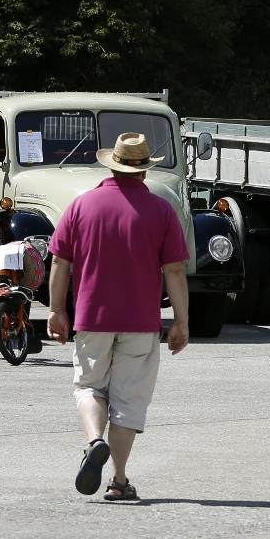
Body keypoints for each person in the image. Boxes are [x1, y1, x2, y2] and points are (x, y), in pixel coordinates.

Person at [46, 131, 190, 501]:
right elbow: (174, 270)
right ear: (144, 171)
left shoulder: (81, 206)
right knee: (128, 401)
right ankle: (119, 479)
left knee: (90, 386)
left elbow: (61, 261)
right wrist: (181, 321)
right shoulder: (160, 210)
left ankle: (94, 441)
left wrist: (57, 310)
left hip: (92, 318)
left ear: (111, 165)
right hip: (141, 322)